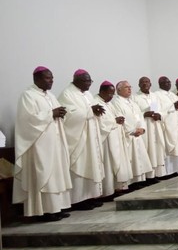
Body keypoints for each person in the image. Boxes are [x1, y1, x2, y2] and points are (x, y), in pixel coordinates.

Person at [12, 67, 72, 221]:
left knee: (56, 175)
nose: (51, 81)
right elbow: (26, 120)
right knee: (44, 175)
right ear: (37, 79)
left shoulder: (51, 96)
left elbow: (56, 114)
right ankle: (42, 211)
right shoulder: (28, 96)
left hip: (55, 143)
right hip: (40, 145)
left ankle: (56, 208)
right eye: (47, 78)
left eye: (52, 78)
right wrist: (51, 114)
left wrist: (61, 114)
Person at [58, 69, 105, 210]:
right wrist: (91, 111)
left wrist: (96, 110)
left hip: (90, 135)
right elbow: (69, 115)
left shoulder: (88, 94)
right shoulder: (67, 94)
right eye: (85, 81)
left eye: (90, 81)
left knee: (91, 165)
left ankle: (90, 197)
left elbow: (90, 110)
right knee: (80, 166)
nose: (88, 83)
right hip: (79, 138)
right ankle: (78, 200)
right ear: (76, 80)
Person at [110, 81, 153, 184]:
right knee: (130, 160)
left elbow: (139, 116)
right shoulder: (116, 103)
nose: (129, 89)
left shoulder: (132, 102)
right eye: (126, 87)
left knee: (139, 159)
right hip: (127, 136)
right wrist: (132, 131)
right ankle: (131, 183)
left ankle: (140, 181)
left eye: (130, 87)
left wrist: (142, 128)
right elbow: (120, 119)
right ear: (118, 90)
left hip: (137, 135)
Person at [95, 81, 132, 198]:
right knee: (108, 166)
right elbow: (99, 123)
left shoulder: (109, 103)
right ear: (102, 92)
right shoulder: (96, 102)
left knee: (117, 164)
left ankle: (117, 188)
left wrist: (118, 120)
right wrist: (114, 121)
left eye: (113, 94)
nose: (111, 97)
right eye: (109, 94)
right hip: (106, 140)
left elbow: (111, 118)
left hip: (115, 138)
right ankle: (108, 191)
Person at [155, 76, 178, 175]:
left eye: (169, 82)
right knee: (171, 145)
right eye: (166, 82)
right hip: (168, 123)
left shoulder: (173, 95)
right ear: (160, 84)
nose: (168, 84)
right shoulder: (157, 95)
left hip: (177, 121)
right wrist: (172, 107)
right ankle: (170, 170)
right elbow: (157, 111)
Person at [133, 77, 166, 178]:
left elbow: (160, 108)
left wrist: (159, 115)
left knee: (157, 149)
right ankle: (148, 176)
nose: (145, 84)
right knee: (148, 150)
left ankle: (157, 174)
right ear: (139, 85)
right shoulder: (135, 97)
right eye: (142, 82)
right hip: (145, 126)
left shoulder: (154, 96)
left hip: (155, 125)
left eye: (147, 82)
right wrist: (144, 114)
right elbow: (134, 113)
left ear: (150, 84)